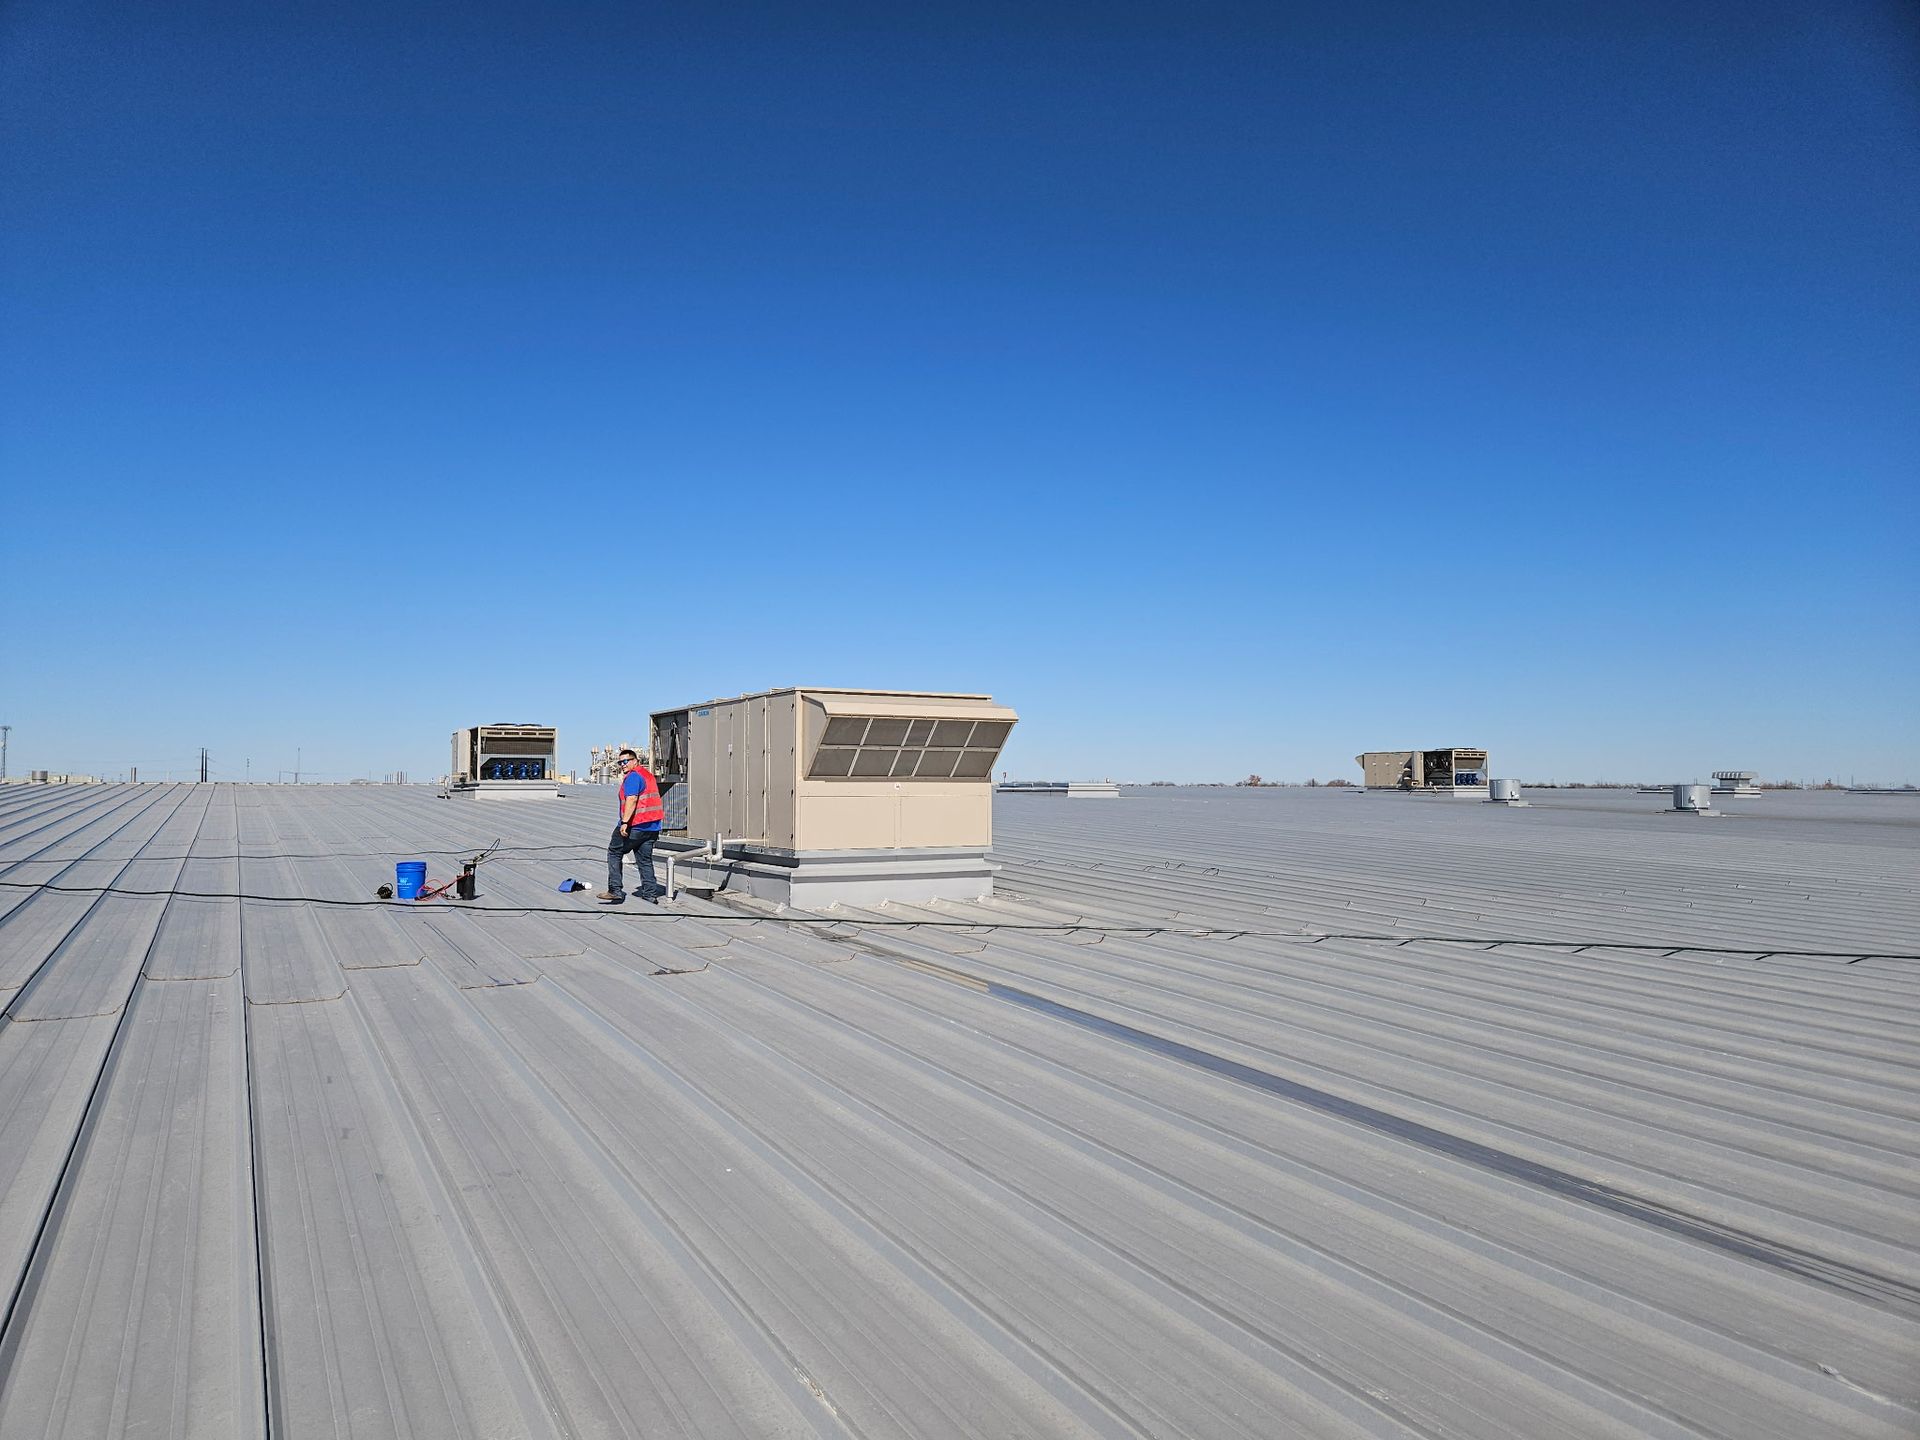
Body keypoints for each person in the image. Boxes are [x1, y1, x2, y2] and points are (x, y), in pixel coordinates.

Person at [599, 748, 665, 904]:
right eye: (620, 762)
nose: (622, 765)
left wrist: (625, 823)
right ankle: (650, 894)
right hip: (652, 827)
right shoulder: (648, 776)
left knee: (614, 852)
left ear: (635, 761)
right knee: (644, 860)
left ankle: (615, 890)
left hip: (635, 825)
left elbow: (632, 800)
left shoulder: (633, 777)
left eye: (625, 761)